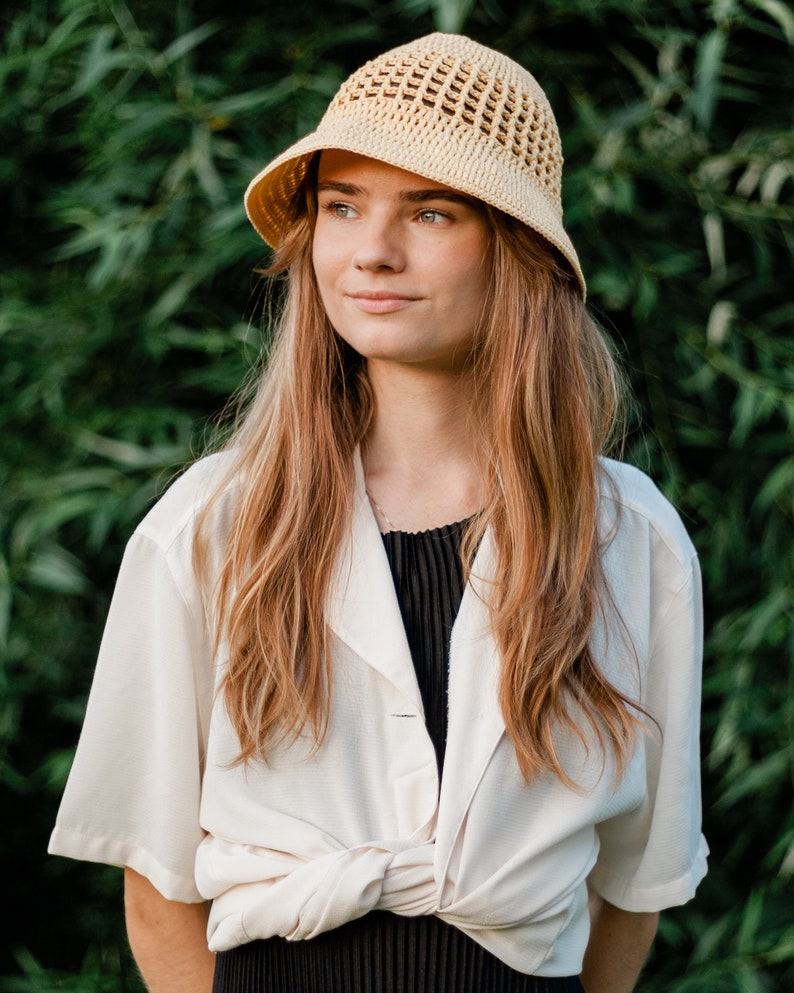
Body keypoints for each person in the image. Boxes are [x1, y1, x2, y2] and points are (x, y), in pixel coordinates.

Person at [49, 31, 708, 993]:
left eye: (431, 211)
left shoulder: (628, 535)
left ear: (515, 248)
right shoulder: (214, 525)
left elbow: (635, 888)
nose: (373, 252)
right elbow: (156, 891)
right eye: (342, 206)